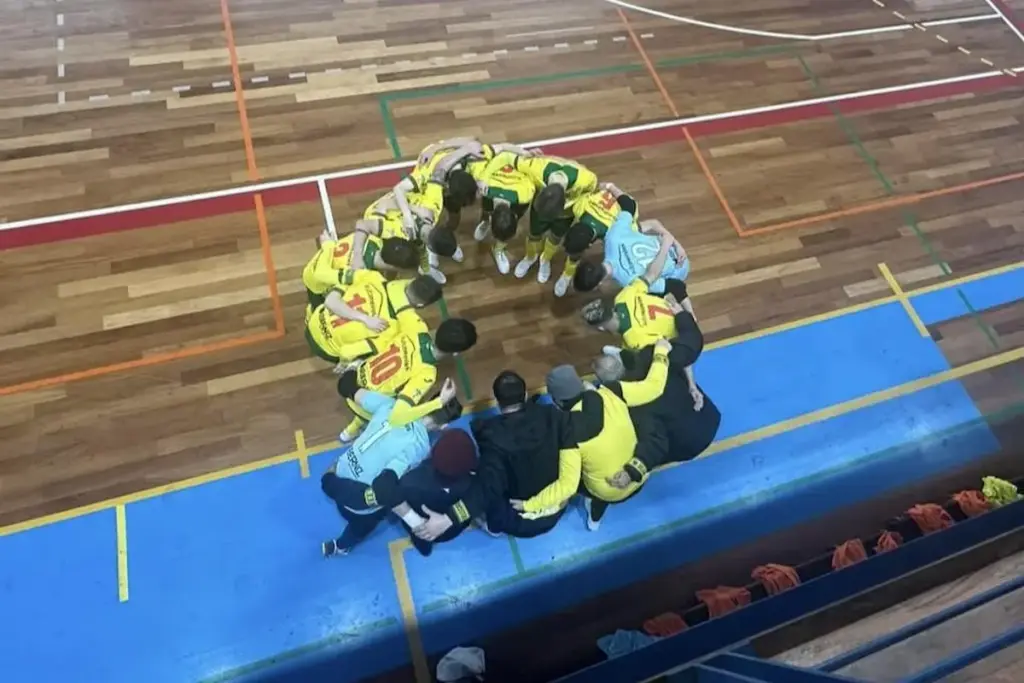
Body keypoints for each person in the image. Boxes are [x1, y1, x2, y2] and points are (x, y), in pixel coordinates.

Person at [519, 340, 672, 531]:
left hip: (606, 491)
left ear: (557, 401)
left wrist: (529, 505)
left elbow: (567, 486)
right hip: (639, 477)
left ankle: (593, 514)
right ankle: (595, 519)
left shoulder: (569, 433)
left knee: (575, 476)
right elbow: (654, 387)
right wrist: (661, 351)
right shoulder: (612, 391)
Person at [413, 370, 580, 543]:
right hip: (556, 510)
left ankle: (493, 528)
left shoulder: (492, 438)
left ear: (498, 402)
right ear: (525, 394)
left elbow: (485, 489)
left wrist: (449, 518)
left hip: (518, 522)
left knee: (486, 483)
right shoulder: (555, 417)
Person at [320, 378, 465, 557]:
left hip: (337, 472)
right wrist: (416, 522)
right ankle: (342, 546)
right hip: (362, 505)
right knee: (359, 528)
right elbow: (386, 485)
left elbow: (347, 386)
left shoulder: (393, 405)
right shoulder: (419, 447)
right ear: (444, 426)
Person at [594, 300, 721, 470]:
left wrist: (632, 472)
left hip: (687, 446)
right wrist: (682, 316)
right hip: (708, 417)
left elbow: (655, 444)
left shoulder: (627, 405)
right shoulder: (650, 355)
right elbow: (689, 348)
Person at [334, 313, 478, 443]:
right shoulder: (427, 373)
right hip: (365, 405)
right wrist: (439, 402)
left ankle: (349, 432)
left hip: (354, 376)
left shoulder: (416, 327)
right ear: (456, 353)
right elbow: (398, 415)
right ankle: (349, 433)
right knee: (389, 407)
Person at [303, 267, 442, 368]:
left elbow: (340, 282)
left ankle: (310, 313)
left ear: (411, 281)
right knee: (377, 352)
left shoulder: (373, 276)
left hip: (315, 320)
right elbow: (346, 352)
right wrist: (345, 364)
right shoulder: (391, 328)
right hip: (324, 348)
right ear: (421, 304)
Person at [571, 192, 692, 304]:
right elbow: (632, 206)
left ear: (598, 284)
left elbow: (673, 285)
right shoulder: (612, 237)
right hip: (673, 249)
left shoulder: (632, 283)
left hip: (679, 268)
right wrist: (673, 243)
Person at [513, 154, 598, 286]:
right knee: (534, 234)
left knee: (556, 237)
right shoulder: (537, 168)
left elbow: (592, 188)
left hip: (566, 215)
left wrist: (577, 204)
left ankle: (545, 259)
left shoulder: (585, 179)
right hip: (540, 210)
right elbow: (510, 158)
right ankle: (530, 257)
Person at [301, 228, 419, 314]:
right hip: (315, 280)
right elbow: (319, 274)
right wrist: (328, 245)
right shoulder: (358, 274)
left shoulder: (370, 238)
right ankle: (312, 312)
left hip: (323, 260)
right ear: (394, 267)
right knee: (322, 310)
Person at [558, 182, 639, 297]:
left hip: (625, 206)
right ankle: (567, 274)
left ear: (589, 245)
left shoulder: (616, 230)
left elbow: (632, 216)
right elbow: (589, 193)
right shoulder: (580, 207)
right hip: (605, 200)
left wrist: (610, 187)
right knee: (576, 250)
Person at [470, 152, 538, 275]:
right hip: (500, 168)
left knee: (506, 228)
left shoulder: (526, 195)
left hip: (520, 160)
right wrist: (483, 178)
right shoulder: (480, 178)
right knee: (485, 209)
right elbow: (483, 154)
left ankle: (498, 249)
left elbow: (533, 172)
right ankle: (485, 222)